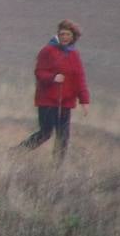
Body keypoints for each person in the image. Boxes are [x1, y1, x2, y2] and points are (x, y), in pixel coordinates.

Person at [19, 19, 89, 158]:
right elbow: (39, 72)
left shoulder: (74, 54)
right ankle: (17, 153)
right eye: (62, 34)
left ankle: (56, 169)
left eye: (67, 34)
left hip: (66, 102)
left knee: (63, 137)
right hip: (47, 100)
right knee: (45, 133)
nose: (64, 37)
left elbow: (79, 78)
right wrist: (53, 77)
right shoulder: (47, 51)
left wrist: (84, 101)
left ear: (73, 36)